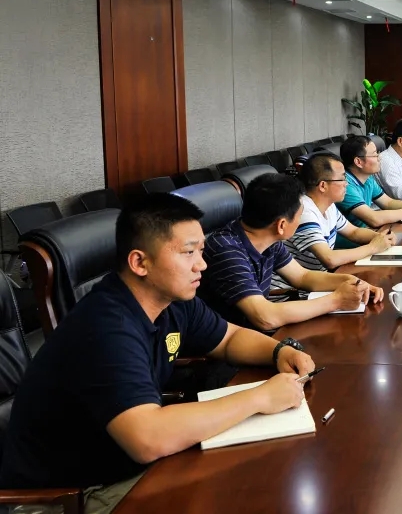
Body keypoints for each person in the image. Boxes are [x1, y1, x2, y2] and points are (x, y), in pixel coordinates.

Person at [0, 194, 317, 508]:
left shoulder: (173, 302)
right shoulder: (104, 328)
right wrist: (260, 398)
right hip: (71, 495)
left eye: (201, 250)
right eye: (188, 252)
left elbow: (229, 338)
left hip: (128, 466)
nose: (202, 264)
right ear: (140, 262)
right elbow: (147, 438)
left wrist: (279, 351)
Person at [200, 173, 384, 331]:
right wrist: (336, 300)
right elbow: (265, 317)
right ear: (281, 225)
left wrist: (352, 282)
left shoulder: (267, 238)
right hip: (232, 344)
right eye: (299, 215)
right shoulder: (226, 249)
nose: (300, 220)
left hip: (254, 333)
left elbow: (302, 277)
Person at [286, 152, 396, 271]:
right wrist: (373, 247)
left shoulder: (329, 206)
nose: (346, 184)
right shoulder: (304, 212)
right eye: (342, 179)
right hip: (299, 283)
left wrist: (381, 237)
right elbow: (330, 259)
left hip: (320, 276)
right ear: (323, 186)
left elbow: (353, 232)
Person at [338, 135, 402, 234]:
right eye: (374, 155)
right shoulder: (344, 185)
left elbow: (388, 203)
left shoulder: (368, 178)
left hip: (368, 233)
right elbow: (374, 219)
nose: (379, 158)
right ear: (358, 162)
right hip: (352, 240)